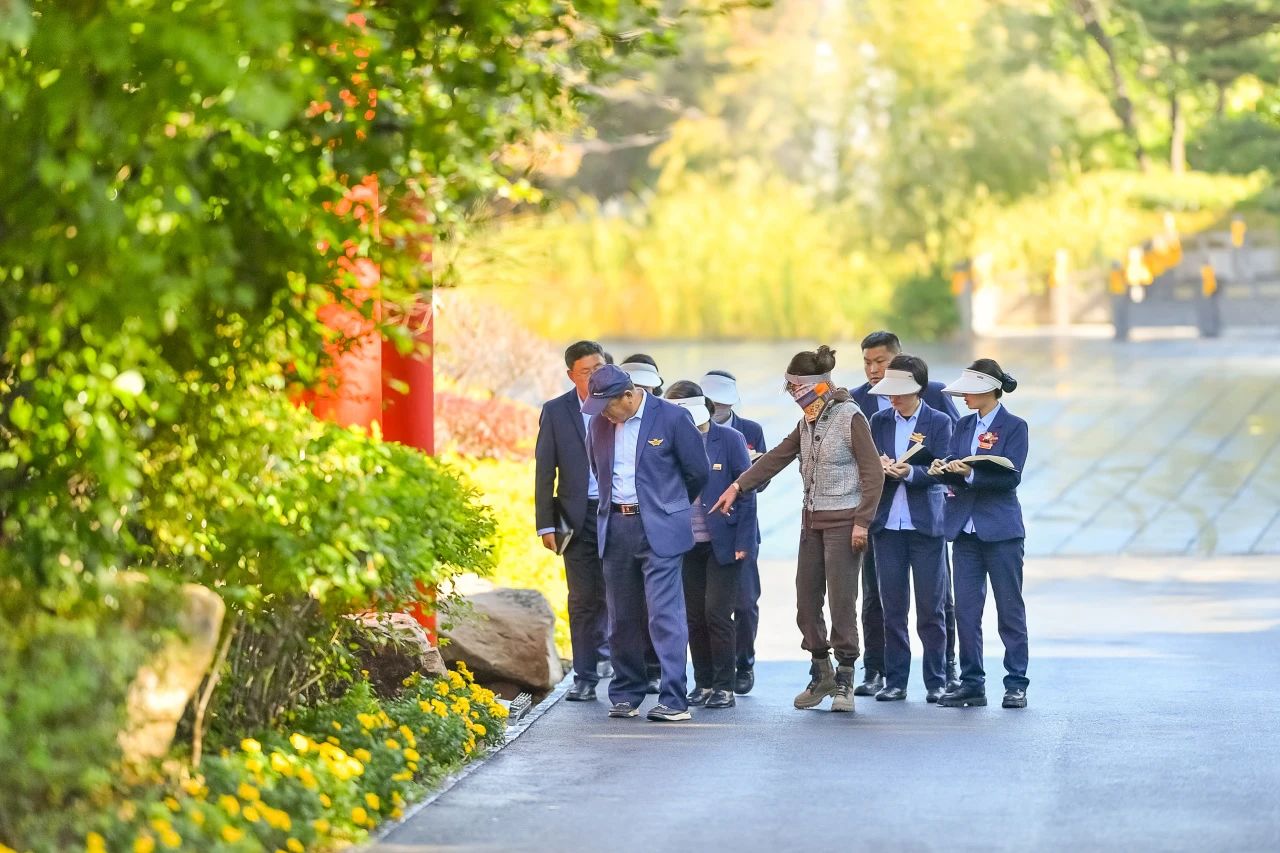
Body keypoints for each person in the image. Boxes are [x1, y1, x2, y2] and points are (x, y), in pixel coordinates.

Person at [711, 346, 882, 713]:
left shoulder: (850, 416)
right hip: (811, 523)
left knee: (841, 604)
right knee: (806, 604)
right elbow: (776, 457)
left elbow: (874, 474)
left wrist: (862, 522)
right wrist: (737, 486)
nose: (791, 394)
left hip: (843, 524)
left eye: (793, 386)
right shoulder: (808, 420)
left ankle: (846, 678)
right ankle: (821, 673)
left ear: (811, 385)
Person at [583, 364, 710, 721]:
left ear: (629, 394)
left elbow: (696, 471)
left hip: (661, 528)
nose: (605, 413)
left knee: (664, 615)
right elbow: (598, 469)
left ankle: (673, 699)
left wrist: (670, 506)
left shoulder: (671, 417)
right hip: (615, 526)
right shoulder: (598, 424)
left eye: (608, 405)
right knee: (621, 617)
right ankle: (626, 693)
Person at [848, 330, 961, 698]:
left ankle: (939, 678)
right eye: (868, 363)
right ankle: (891, 679)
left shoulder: (938, 415)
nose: (875, 372)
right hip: (885, 524)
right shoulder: (874, 417)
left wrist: (911, 472)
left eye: (881, 362)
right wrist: (877, 467)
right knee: (887, 605)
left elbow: (949, 462)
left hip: (926, 522)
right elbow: (858, 460)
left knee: (933, 607)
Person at [931, 358, 1030, 710]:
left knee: (1009, 609)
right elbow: (954, 463)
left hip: (1000, 531)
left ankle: (1016, 682)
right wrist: (944, 469)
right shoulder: (963, 426)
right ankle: (972, 682)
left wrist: (972, 475)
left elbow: (1010, 477)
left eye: (971, 391)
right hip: (965, 532)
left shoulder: (1015, 426)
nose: (965, 398)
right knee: (966, 613)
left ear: (990, 389)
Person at [664, 381, 756, 710]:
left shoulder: (729, 440)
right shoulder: (671, 439)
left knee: (717, 612)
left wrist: (744, 542)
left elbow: (746, 492)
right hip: (686, 543)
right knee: (693, 616)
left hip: (724, 541)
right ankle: (702, 683)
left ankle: (724, 686)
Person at [535, 341, 610, 702]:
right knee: (582, 598)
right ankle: (584, 676)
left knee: (619, 593)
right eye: (586, 371)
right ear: (571, 376)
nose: (595, 375)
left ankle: (623, 667)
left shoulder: (622, 402)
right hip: (577, 517)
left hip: (620, 512)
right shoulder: (556, 411)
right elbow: (544, 471)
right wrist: (545, 524)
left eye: (600, 367)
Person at [700, 369, 768, 695]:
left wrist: (748, 473)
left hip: (740, 525)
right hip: (704, 527)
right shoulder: (690, 428)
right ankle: (713, 671)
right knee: (708, 607)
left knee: (744, 601)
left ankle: (746, 661)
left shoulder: (749, 430)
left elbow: (763, 481)